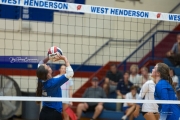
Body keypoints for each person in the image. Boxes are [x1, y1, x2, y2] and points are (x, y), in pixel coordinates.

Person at [36, 53, 74, 120]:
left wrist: (49, 57)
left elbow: (41, 63)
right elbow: (70, 73)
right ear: (48, 73)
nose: (48, 65)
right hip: (54, 115)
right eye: (47, 66)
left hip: (43, 113)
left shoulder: (41, 78)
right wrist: (64, 58)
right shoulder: (54, 83)